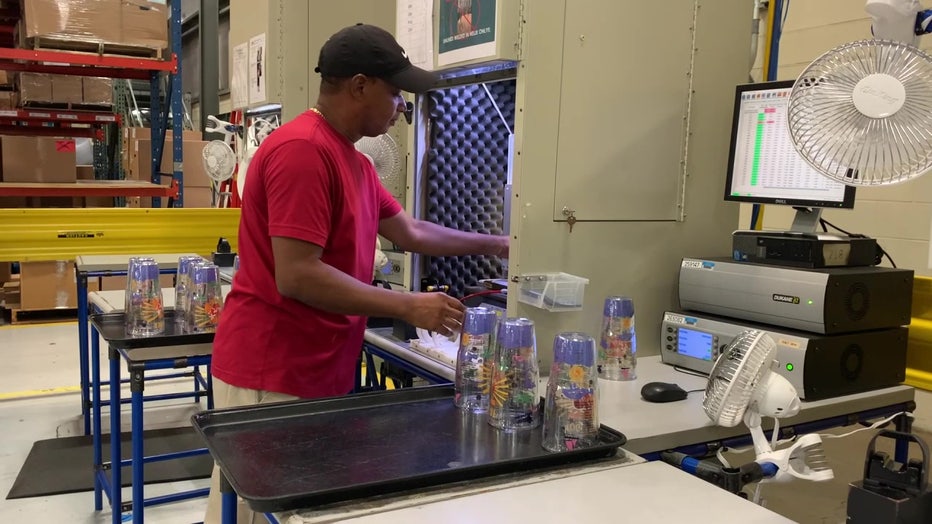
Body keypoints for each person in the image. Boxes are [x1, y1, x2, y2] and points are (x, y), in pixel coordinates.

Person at [204, 23, 509, 523]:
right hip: (273, 369)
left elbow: (411, 232)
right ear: (360, 85)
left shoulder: (356, 162)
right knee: (261, 511)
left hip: (317, 366)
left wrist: (498, 244)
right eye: (395, 94)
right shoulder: (303, 150)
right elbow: (297, 275)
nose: (400, 109)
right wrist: (409, 305)